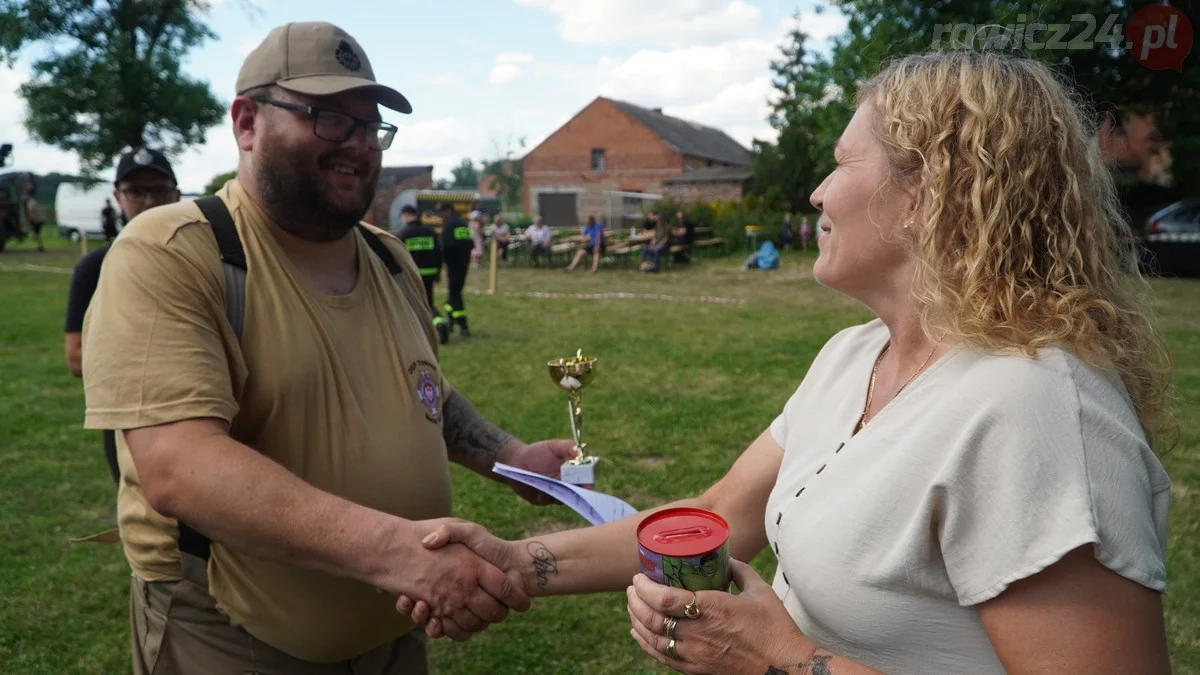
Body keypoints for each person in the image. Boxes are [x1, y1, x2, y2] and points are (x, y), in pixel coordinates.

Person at [404, 50, 1176, 674]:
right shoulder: (853, 355)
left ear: (931, 195)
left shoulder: (1037, 410)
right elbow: (723, 515)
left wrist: (780, 659)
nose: (815, 192)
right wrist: (515, 558)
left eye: (841, 163)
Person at [79, 21, 576, 674]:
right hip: (233, 638)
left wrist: (512, 459)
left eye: (370, 128)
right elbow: (178, 464)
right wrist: (402, 553)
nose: (359, 146)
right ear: (247, 122)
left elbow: (423, 390)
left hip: (396, 626)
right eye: (330, 119)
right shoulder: (173, 251)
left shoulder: (390, 259)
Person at [65, 147, 181, 484]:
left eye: (158, 190)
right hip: (132, 423)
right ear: (118, 196)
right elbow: (75, 357)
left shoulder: (208, 259)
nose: (148, 201)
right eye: (136, 191)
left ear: (176, 193)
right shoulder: (94, 267)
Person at [396, 203, 449, 344]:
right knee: (428, 302)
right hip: (430, 273)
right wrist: (438, 271)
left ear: (406, 216)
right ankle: (439, 322)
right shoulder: (430, 232)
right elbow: (439, 253)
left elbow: (397, 257)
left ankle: (415, 333)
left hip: (412, 275)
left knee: (410, 303)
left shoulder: (404, 234)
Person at [439, 202, 474, 336]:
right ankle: (450, 320)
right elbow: (470, 244)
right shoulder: (463, 224)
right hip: (463, 263)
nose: (441, 217)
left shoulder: (449, 225)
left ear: (448, 211)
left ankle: (463, 324)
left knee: (455, 294)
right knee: (453, 292)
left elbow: (446, 247)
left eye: (442, 213)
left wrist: (442, 261)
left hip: (453, 263)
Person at [22, 180, 45, 252]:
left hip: (36, 220)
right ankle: (40, 245)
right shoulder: (33, 201)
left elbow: (30, 212)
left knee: (36, 233)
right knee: (36, 233)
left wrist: (29, 220)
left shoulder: (31, 203)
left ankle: (40, 246)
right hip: (37, 219)